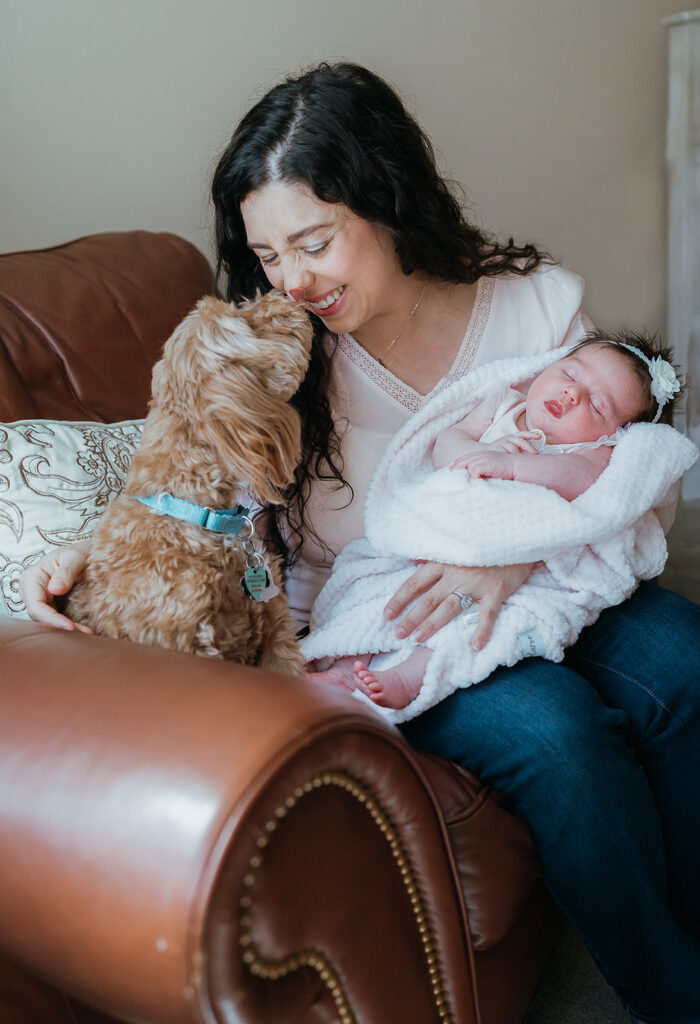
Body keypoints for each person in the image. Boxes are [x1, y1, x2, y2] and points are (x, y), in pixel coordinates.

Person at [19, 63, 700, 1022]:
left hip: (552, 575)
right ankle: (673, 994)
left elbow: (635, 472)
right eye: (266, 255)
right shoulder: (284, 360)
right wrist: (84, 561)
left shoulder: (533, 309)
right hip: (393, 620)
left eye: (315, 242)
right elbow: (189, 481)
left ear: (384, 202)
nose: (292, 281)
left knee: (682, 657)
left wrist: (510, 552)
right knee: (556, 735)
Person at [303, 332, 693, 716]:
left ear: (615, 436)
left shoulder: (589, 453)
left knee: (475, 626)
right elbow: (448, 442)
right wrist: (478, 451)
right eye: (571, 375)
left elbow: (580, 481)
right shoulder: (505, 403)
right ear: (547, 367)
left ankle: (410, 678)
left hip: (516, 558)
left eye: (598, 406)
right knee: (372, 586)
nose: (574, 394)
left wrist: (512, 466)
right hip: (437, 535)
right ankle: (342, 662)